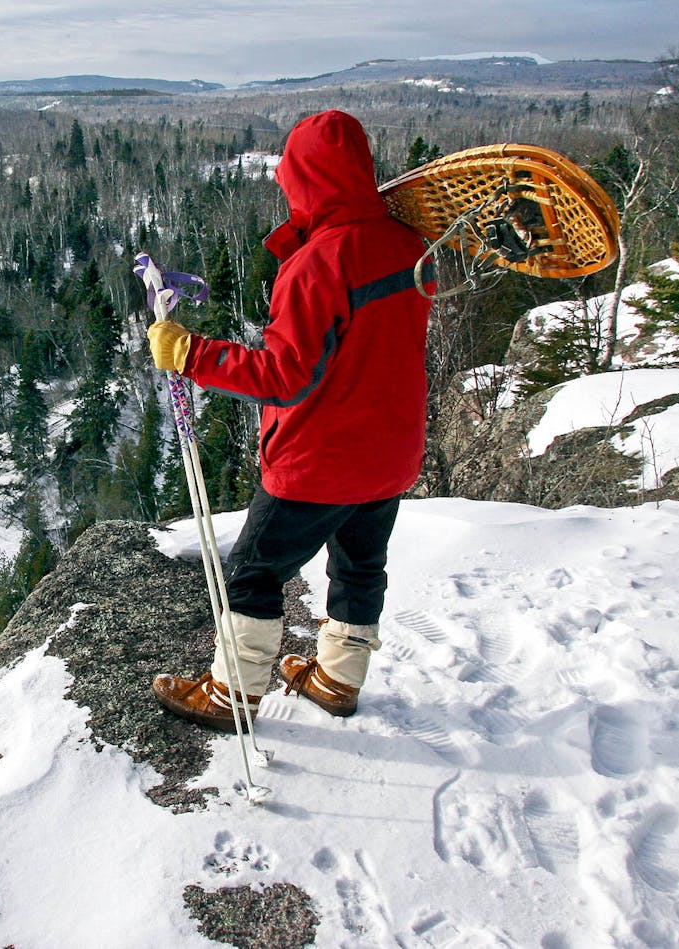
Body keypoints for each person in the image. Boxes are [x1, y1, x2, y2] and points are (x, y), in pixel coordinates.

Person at [146, 110, 432, 728]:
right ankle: (336, 677)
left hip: (319, 460)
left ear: (304, 178)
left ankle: (231, 693)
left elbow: (285, 375)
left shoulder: (317, 265)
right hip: (390, 451)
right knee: (359, 565)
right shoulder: (409, 245)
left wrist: (191, 353)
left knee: (252, 572)